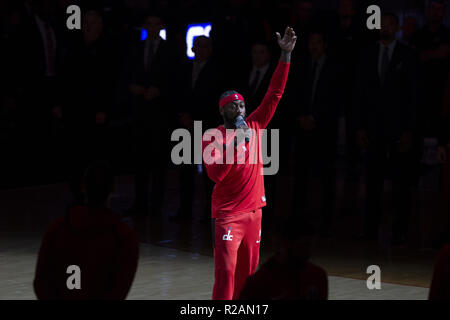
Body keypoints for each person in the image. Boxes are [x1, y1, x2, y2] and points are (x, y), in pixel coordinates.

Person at [202, 27, 297, 300]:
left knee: (248, 277)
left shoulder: (255, 124)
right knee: (226, 275)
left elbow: (275, 93)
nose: (240, 109)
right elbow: (216, 174)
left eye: (242, 105)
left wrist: (285, 55)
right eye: (234, 106)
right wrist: (235, 142)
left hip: (254, 213)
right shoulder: (213, 137)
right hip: (228, 215)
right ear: (222, 110)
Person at [353, 13, 419, 244]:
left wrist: (409, 130)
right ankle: (371, 231)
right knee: (373, 183)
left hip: (398, 130)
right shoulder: (368, 53)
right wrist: (360, 126)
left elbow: (413, 97)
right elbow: (359, 93)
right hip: (373, 129)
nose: (386, 28)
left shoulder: (407, 55)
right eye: (383, 25)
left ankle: (399, 233)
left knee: (400, 184)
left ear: (397, 27)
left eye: (390, 24)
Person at [33, 161, 139, 299]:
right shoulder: (123, 236)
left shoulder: (58, 229)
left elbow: (41, 283)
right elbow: (119, 290)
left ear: (83, 187)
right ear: (112, 189)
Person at [291, 30, 342, 236]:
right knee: (300, 176)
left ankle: (327, 220)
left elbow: (335, 98)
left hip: (324, 130)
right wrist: (301, 117)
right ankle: (298, 219)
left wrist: (316, 118)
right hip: (302, 129)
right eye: (311, 42)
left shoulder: (334, 68)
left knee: (326, 176)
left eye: (318, 42)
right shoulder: (302, 66)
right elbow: (294, 94)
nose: (314, 46)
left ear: (325, 45)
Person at [124, 12, 174, 217]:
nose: (152, 28)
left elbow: (175, 79)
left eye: (156, 24)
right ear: (145, 26)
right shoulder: (136, 48)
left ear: (161, 26)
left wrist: (160, 91)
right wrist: (133, 88)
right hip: (140, 113)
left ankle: (156, 205)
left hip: (160, 114)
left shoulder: (170, 50)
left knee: (158, 161)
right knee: (140, 160)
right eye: (149, 24)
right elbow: (128, 75)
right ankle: (140, 202)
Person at [239, 219, 328, 300]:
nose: (308, 251)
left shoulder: (317, 275)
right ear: (285, 243)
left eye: (309, 245)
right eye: (302, 246)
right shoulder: (261, 281)